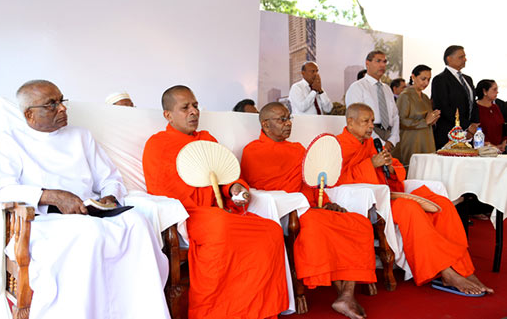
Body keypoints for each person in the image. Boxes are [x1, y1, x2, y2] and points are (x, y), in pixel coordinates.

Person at [0, 80, 170, 319]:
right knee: (88, 235)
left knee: (137, 223)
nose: (62, 108)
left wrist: (110, 196)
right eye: (52, 104)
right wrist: (51, 195)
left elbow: (110, 177)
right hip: (46, 222)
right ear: (29, 114)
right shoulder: (10, 140)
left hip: (92, 213)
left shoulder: (81, 136)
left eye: (62, 100)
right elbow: (0, 189)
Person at [142, 85, 289, 319]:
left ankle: (258, 310)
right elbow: (162, 190)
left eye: (196, 106)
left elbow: (227, 173)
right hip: (190, 214)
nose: (194, 112)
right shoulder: (157, 144)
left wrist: (235, 187)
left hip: (219, 211)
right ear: (167, 115)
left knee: (271, 230)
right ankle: (215, 312)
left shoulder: (207, 138)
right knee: (220, 228)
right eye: (185, 108)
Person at [335, 103, 493, 296]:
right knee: (410, 208)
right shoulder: (337, 146)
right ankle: (445, 271)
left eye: (371, 121)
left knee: (443, 204)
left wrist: (390, 168)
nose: (370, 126)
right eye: (365, 121)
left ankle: (465, 269)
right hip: (369, 202)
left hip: (389, 193)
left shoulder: (371, 143)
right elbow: (337, 182)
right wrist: (370, 165)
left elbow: (395, 166)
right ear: (350, 122)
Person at [241, 102, 376, 319]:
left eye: (289, 118)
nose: (288, 124)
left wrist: (324, 202)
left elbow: (310, 182)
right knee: (317, 225)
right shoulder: (253, 151)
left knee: (358, 222)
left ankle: (346, 294)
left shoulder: (297, 149)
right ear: (265, 125)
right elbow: (258, 191)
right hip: (283, 212)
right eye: (281, 120)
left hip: (309, 206)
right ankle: (343, 296)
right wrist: (301, 204)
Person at [345, 50, 399, 152]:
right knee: (371, 167)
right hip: (368, 137)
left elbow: (395, 116)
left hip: (389, 138)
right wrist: (380, 143)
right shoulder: (357, 87)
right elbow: (357, 119)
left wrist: (392, 140)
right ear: (367, 63)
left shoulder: (387, 89)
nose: (382, 65)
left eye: (384, 62)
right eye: (378, 61)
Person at [431, 45, 479, 149]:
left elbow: (473, 103)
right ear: (449, 59)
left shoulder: (468, 79)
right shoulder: (440, 79)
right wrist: (467, 126)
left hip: (469, 135)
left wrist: (474, 125)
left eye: (464, 56)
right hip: (449, 134)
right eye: (461, 57)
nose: (465, 59)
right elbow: (443, 107)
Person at [392, 65, 440, 167]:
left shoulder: (425, 97)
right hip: (411, 141)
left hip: (427, 140)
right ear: (413, 77)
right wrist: (425, 122)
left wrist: (433, 119)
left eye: (428, 79)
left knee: (427, 170)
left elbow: (428, 119)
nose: (426, 83)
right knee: (412, 171)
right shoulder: (405, 96)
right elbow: (401, 121)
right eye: (423, 79)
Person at [474, 79, 507, 152]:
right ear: (484, 91)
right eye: (494, 89)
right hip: (484, 150)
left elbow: (502, 127)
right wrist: (492, 146)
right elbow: (475, 131)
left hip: (500, 149)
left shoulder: (496, 107)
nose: (497, 92)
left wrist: (504, 142)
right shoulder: (475, 109)